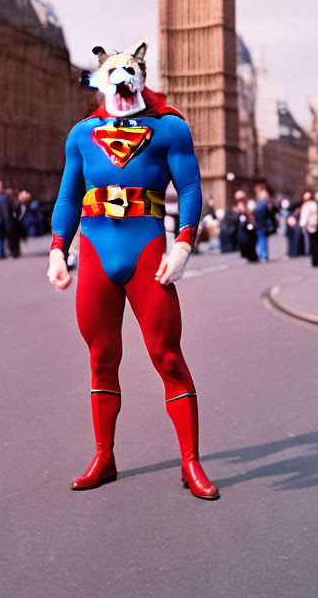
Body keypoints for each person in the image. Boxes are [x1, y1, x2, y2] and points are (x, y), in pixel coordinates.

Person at [47, 43, 218, 500]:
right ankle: (104, 456)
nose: (122, 80)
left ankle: (191, 462)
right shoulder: (81, 134)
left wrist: (183, 242)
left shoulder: (168, 129)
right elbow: (67, 196)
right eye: (113, 72)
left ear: (141, 76)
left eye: (131, 71)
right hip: (97, 250)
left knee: (167, 356)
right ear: (100, 79)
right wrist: (57, 248)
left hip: (147, 250)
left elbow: (189, 186)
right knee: (101, 360)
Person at [299, 190, 318, 266]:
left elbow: (304, 217)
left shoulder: (306, 206)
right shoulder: (315, 204)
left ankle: (315, 261)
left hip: (311, 227)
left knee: (313, 244)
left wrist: (302, 225)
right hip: (317, 226)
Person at [252, 187, 275, 262]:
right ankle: (263, 254)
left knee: (260, 239)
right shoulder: (265, 205)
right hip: (264, 225)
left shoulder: (256, 205)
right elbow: (269, 215)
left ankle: (259, 253)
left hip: (258, 225)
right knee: (263, 240)